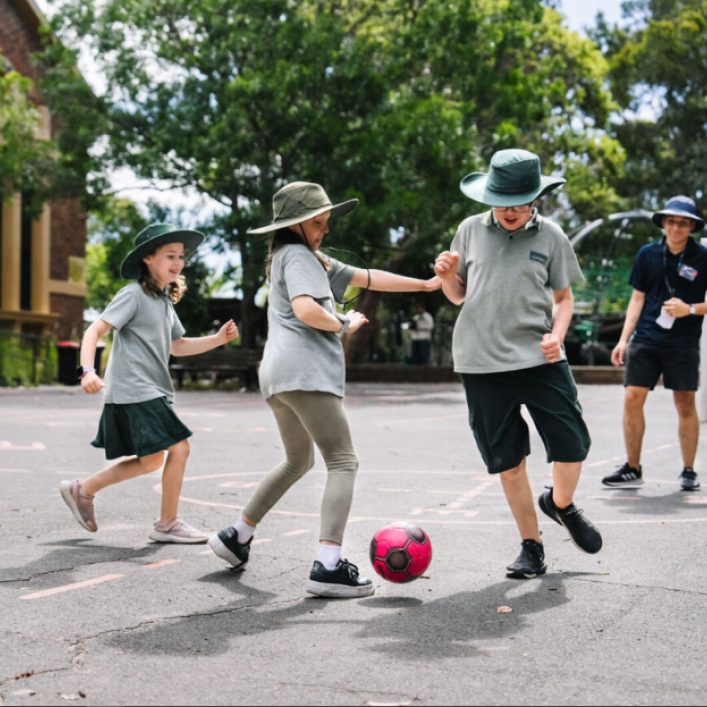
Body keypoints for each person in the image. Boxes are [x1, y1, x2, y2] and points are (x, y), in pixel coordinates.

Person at [209, 182, 441, 598]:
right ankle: (327, 566)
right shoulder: (299, 256)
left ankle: (236, 536)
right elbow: (306, 309)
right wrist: (343, 323)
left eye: (326, 221)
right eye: (318, 222)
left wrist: (426, 285)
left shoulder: (301, 256)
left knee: (297, 461)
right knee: (343, 462)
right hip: (305, 373)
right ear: (296, 225)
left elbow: (367, 278)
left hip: (278, 376)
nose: (326, 229)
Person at [434, 149, 602, 580]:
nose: (510, 211)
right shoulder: (469, 230)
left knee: (572, 444)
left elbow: (564, 300)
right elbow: (457, 295)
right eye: (502, 201)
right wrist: (447, 273)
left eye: (520, 201)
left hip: (540, 357)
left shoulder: (552, 236)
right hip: (481, 361)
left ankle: (560, 504)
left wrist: (557, 336)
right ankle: (532, 546)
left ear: (536, 198)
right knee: (508, 461)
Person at [60, 224, 240, 543]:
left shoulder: (163, 300)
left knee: (152, 460)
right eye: (170, 255)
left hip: (150, 390)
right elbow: (93, 331)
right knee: (180, 447)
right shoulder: (133, 294)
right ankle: (168, 524)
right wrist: (87, 370)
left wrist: (216, 339)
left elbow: (178, 346)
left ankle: (82, 489)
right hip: (135, 388)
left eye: (181, 256)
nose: (178, 262)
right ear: (147, 258)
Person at [604, 196, 707, 492]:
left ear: (692, 226)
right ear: (663, 223)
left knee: (685, 402)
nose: (677, 227)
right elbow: (637, 299)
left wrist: (690, 308)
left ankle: (689, 470)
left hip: (684, 341)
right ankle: (632, 468)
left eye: (684, 222)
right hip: (646, 338)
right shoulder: (647, 254)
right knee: (632, 398)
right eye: (672, 221)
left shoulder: (702, 256)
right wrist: (623, 340)